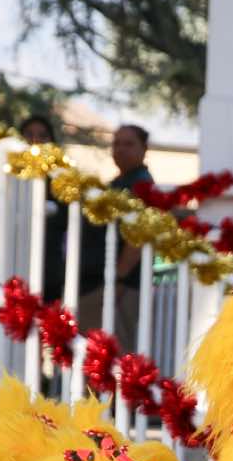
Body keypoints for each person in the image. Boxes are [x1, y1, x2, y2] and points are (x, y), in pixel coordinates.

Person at [48, 124, 155, 338]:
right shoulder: (118, 183)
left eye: (129, 144)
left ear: (144, 149)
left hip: (117, 289)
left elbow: (139, 236)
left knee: (112, 351)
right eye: (117, 143)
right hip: (98, 285)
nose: (121, 149)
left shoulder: (142, 186)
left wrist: (118, 280)